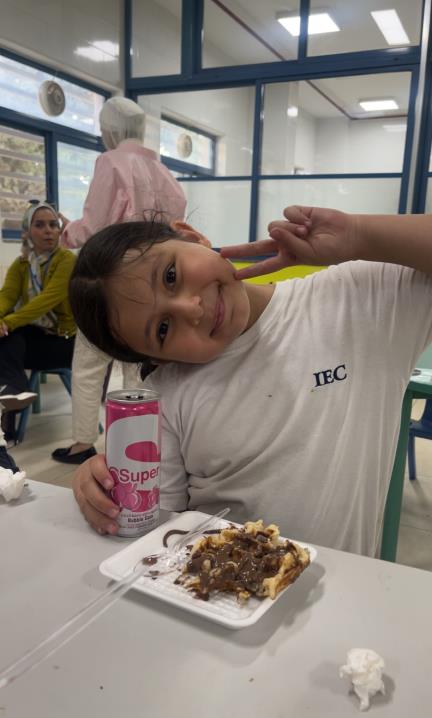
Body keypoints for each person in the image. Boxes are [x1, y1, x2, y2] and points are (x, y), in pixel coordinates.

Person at [69, 206, 432, 556]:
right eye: (163, 329)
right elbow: (159, 532)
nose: (191, 309)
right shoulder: (163, 399)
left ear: (190, 236)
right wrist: (105, 489)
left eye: (170, 276)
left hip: (342, 588)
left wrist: (359, 234)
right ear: (158, 358)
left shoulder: (357, 300)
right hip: (215, 588)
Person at [52, 96, 187, 465]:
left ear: (109, 128)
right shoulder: (162, 171)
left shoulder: (110, 162)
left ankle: (83, 443)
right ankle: (136, 440)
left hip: (110, 277)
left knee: (89, 365)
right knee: (136, 360)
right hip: (152, 283)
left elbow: (94, 225)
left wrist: (69, 232)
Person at [0, 201, 76, 443]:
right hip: (35, 336)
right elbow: (6, 297)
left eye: (53, 225)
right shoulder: (21, 264)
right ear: (28, 231)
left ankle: (10, 405)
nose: (48, 231)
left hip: (63, 341)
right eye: (40, 225)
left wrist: (7, 322)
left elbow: (46, 301)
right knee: (6, 338)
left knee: (8, 337)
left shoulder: (66, 260)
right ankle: (11, 398)